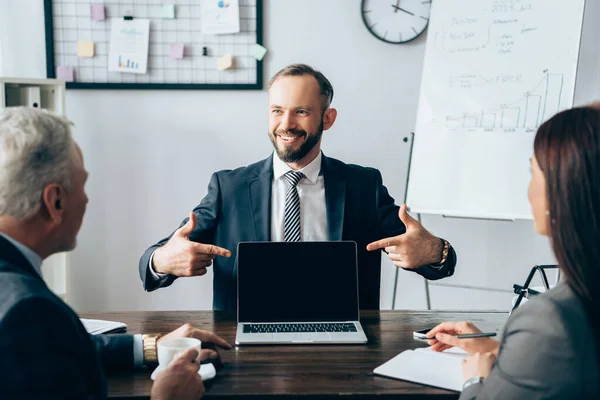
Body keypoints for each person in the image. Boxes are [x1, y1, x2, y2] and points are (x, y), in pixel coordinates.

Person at [139, 63, 457, 311]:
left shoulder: (364, 185)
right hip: (242, 343)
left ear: (327, 118)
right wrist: (162, 261)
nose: (286, 124)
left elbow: (440, 262)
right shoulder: (228, 187)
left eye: (301, 111)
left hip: (344, 344)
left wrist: (433, 251)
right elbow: (153, 262)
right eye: (277, 111)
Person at [0, 107, 231, 400]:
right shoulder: (30, 311)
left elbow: (56, 347)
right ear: (55, 201)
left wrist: (151, 346)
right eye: (82, 184)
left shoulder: (25, 309)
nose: (86, 198)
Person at [425, 105, 600, 399]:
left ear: (564, 190)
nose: (528, 189)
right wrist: (508, 353)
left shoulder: (549, 320)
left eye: (533, 172)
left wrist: (476, 380)